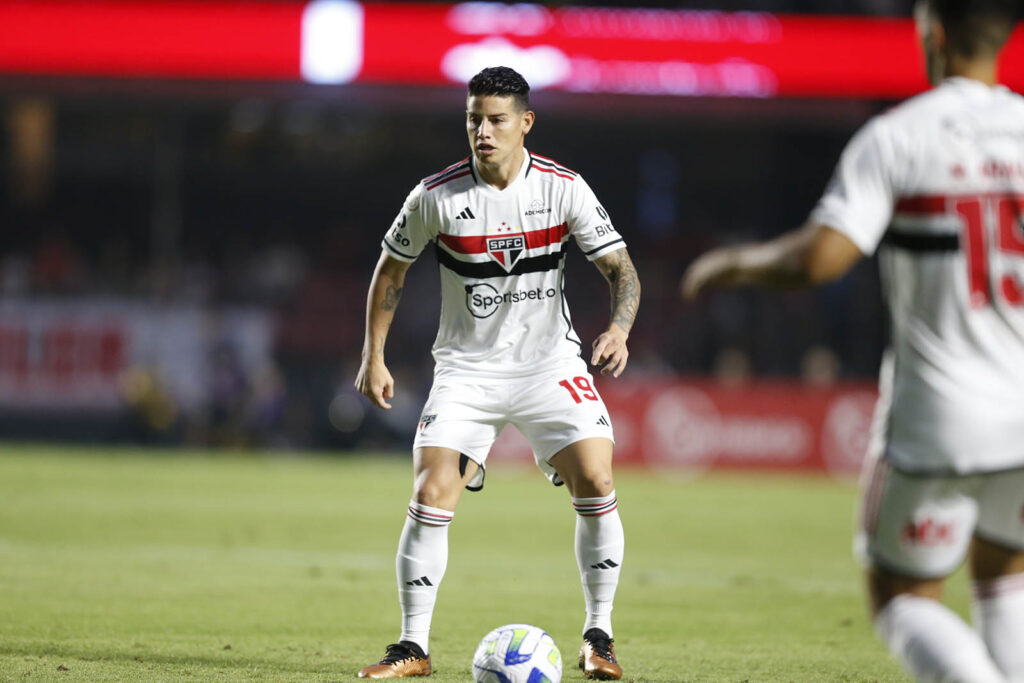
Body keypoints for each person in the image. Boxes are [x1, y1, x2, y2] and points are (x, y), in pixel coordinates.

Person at [682, 1, 1024, 681]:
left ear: (933, 31)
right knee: (1005, 574)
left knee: (900, 595)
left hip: (940, 419)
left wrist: (732, 264)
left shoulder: (901, 137)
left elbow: (820, 259)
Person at [355, 66, 640, 680]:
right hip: (467, 372)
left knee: (595, 475)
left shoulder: (563, 188)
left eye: (496, 120)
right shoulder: (436, 195)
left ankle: (599, 637)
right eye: (473, 119)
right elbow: (391, 270)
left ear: (525, 124)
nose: (482, 131)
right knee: (431, 492)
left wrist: (618, 328)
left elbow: (621, 268)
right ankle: (412, 646)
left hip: (549, 366)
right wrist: (372, 354)